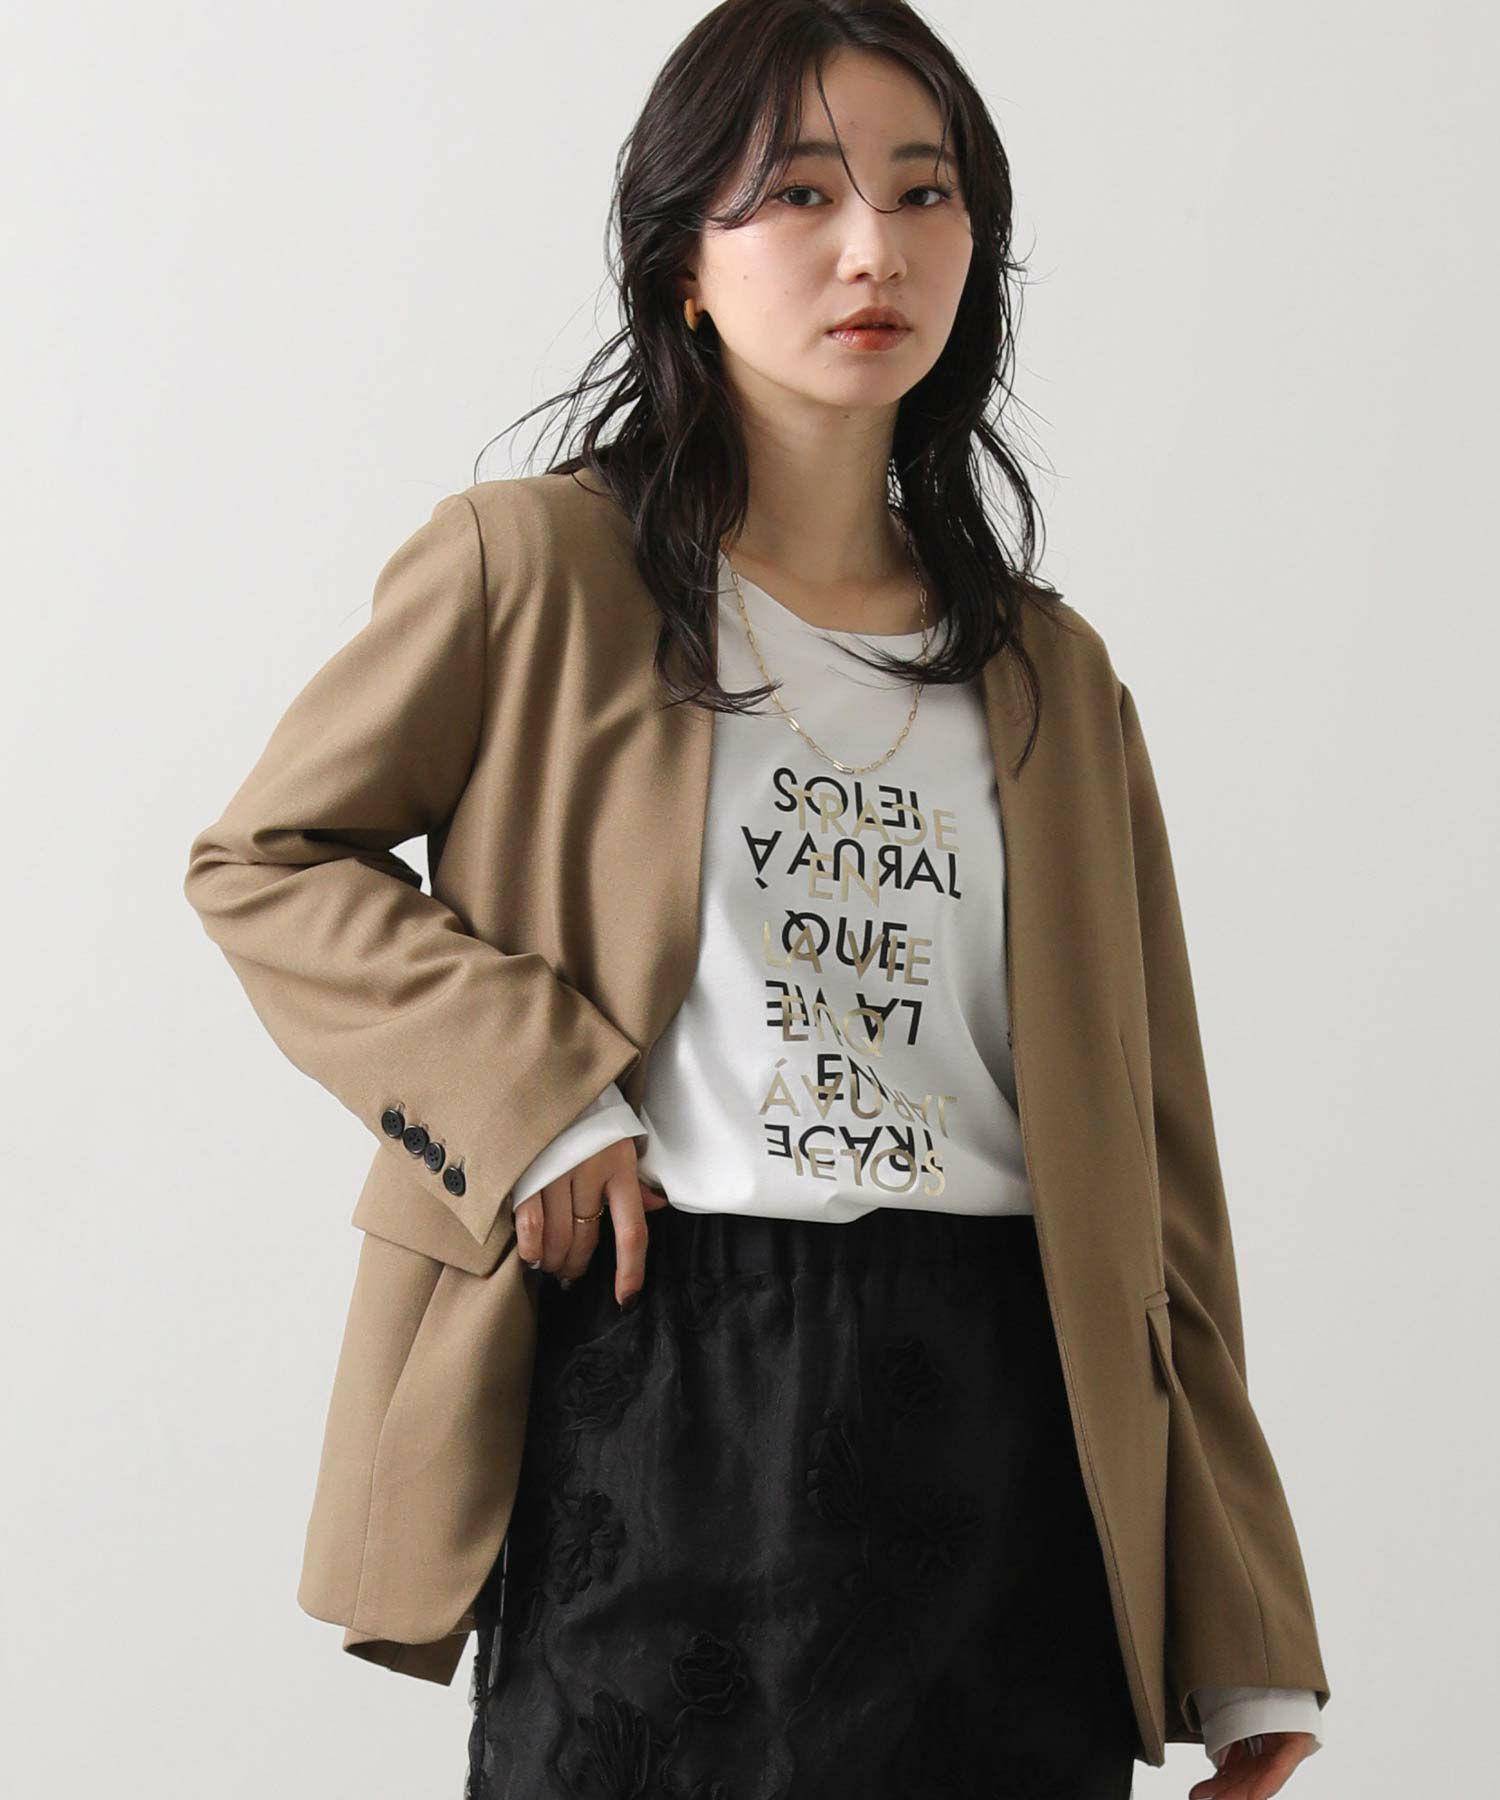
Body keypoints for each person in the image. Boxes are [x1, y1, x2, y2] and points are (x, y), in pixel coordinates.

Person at [184, 4, 1330, 1796]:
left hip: (1004, 1420)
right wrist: (539, 1099)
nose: (875, 247)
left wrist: (1240, 1628)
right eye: (798, 193)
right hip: (658, 1383)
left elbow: (1157, 1159)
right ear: (682, 263)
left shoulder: (1051, 676)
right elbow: (267, 862)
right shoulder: (535, 568)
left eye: (924, 192)